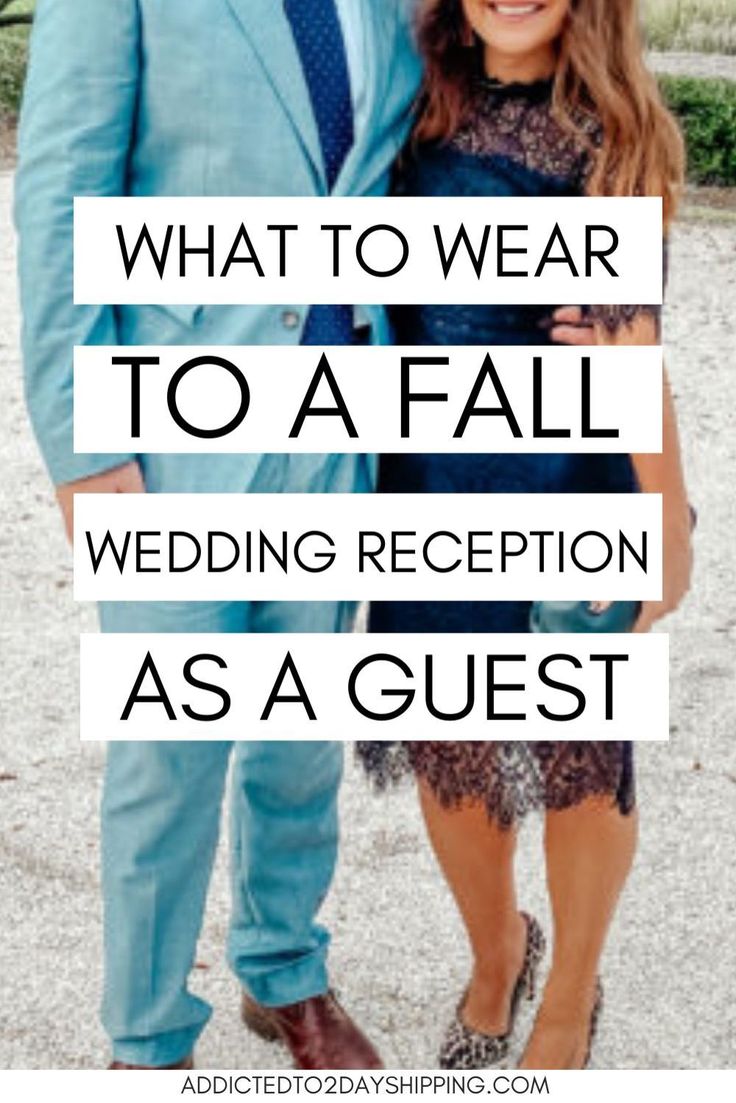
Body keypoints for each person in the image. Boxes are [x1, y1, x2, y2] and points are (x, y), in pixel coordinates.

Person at [15, 0, 421, 1070]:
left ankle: (284, 969)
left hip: (343, 431)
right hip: (175, 433)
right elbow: (60, 195)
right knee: (170, 749)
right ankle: (145, 1036)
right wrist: (85, 442)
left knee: (299, 739)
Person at [358, 0, 693, 1070]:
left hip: (571, 485)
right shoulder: (402, 105)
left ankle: (573, 990)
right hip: (429, 488)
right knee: (451, 750)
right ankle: (499, 945)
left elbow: (628, 351)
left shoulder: (617, 129)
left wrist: (665, 524)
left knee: (578, 760)